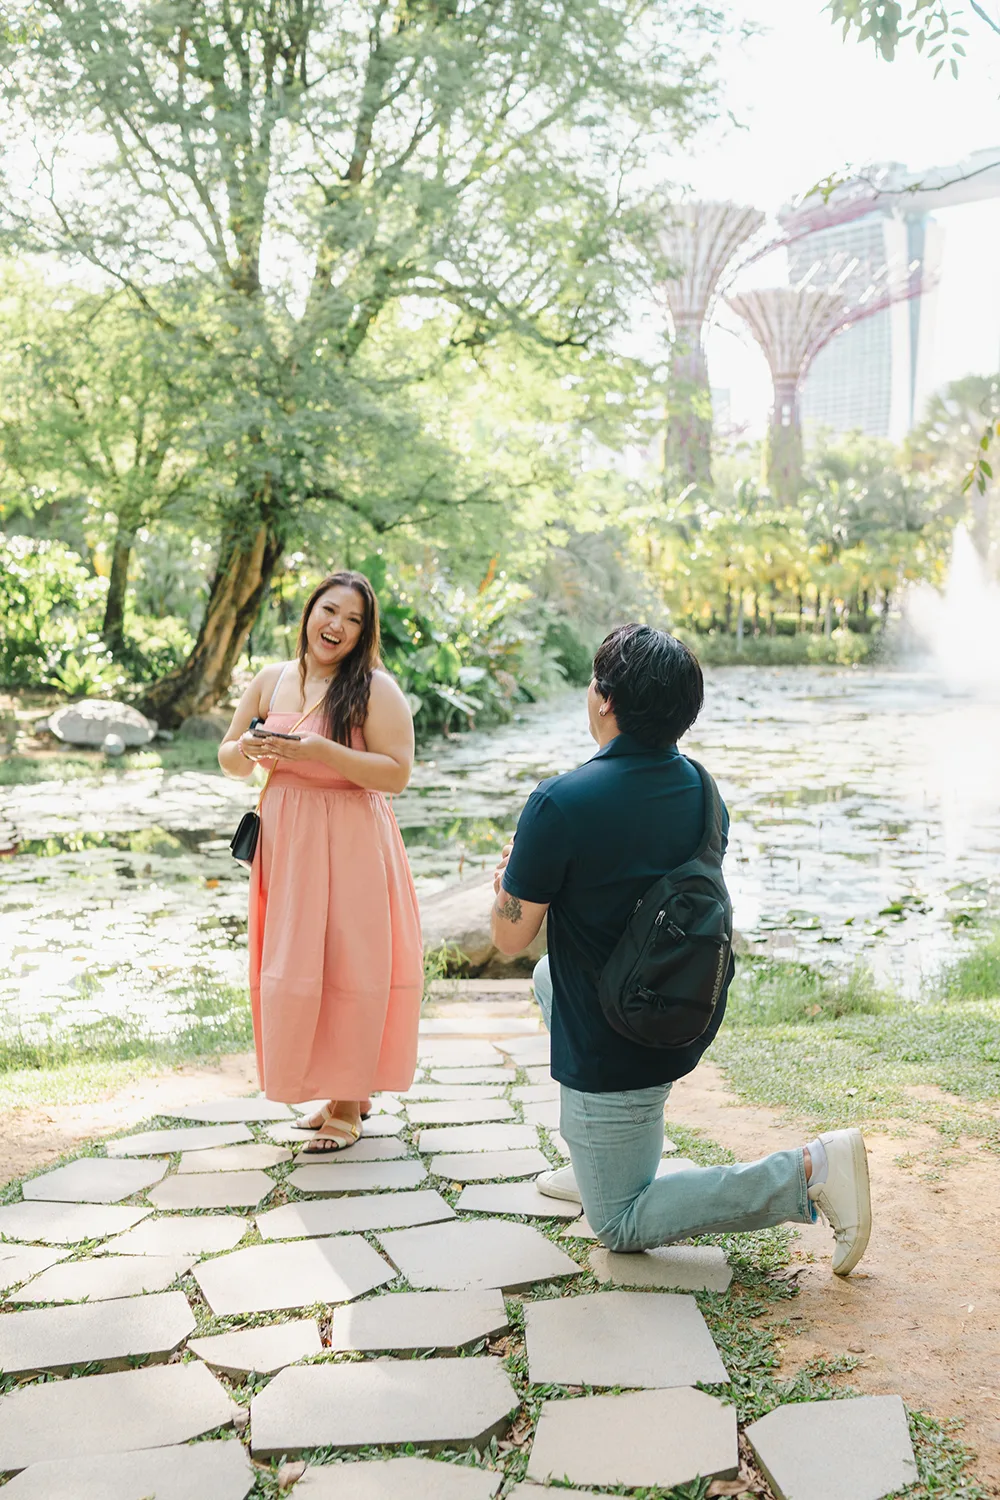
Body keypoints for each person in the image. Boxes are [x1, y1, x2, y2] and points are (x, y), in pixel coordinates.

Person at [490, 623, 871, 1276]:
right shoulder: (702, 788)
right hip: (682, 1007)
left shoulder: (560, 802)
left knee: (619, 1222)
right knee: (552, 975)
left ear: (605, 700)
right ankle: (599, 1162)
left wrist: (509, 880)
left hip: (615, 1045)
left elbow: (508, 937)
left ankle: (809, 1171)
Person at [219, 570, 423, 1153]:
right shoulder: (271, 679)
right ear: (309, 612)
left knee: (350, 964)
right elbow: (229, 757)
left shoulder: (375, 689)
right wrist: (248, 747)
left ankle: (348, 1103)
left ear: (364, 633)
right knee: (300, 966)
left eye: (353, 619)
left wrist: (323, 751)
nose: (337, 626)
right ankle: (337, 1089)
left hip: (353, 838)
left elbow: (397, 774)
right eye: (329, 610)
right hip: (288, 843)